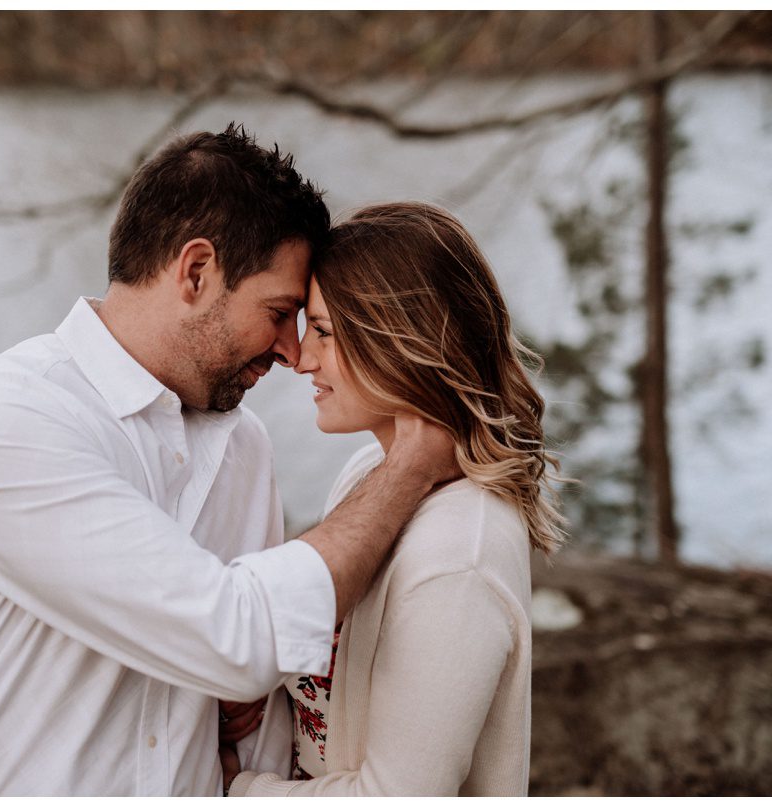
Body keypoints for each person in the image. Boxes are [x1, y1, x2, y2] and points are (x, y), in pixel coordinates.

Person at [0, 126, 458, 796]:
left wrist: (249, 703)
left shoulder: (245, 448)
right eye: (278, 312)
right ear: (195, 271)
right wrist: (409, 467)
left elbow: (256, 708)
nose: (292, 352)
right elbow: (238, 636)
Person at [223, 202, 567, 796]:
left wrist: (234, 791)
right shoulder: (370, 475)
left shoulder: (459, 557)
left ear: (401, 338)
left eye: (325, 332)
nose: (302, 359)